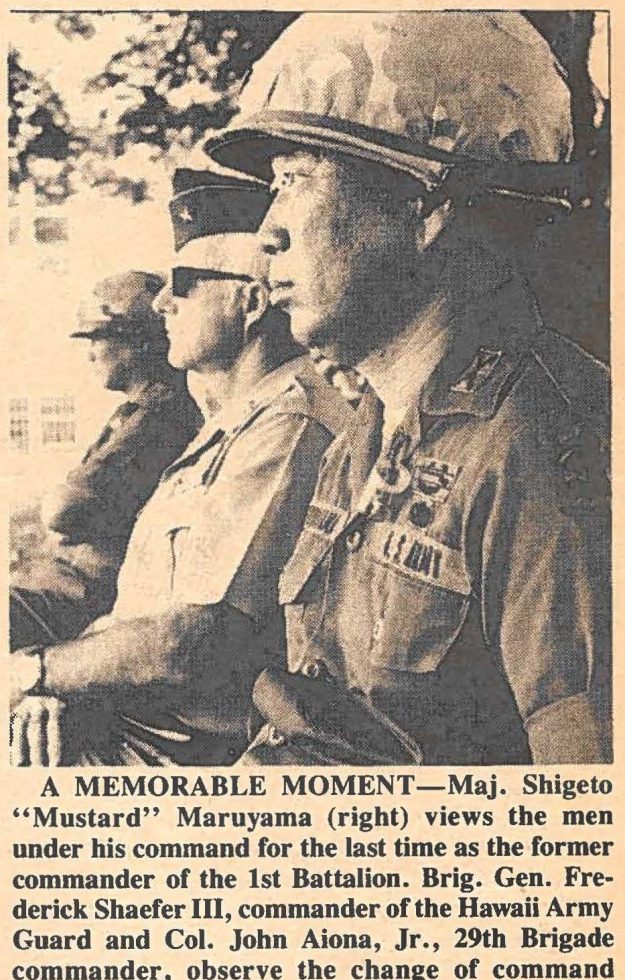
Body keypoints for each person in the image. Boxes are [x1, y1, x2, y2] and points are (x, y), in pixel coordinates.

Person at [206, 11, 611, 765]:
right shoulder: (369, 424)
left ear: (423, 207)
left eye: (296, 181)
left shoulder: (547, 438)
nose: (267, 232)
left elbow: (585, 814)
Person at [9, 168, 352, 767]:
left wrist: (37, 673)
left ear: (251, 300)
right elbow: (137, 618)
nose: (164, 302)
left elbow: (192, 645)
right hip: (124, 719)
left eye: (185, 283)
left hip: (179, 757)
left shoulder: (289, 424)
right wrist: (52, 686)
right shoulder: (229, 426)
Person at [10, 270, 201, 649]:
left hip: (83, 597)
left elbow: (65, 510)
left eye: (100, 338)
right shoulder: (139, 412)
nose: (91, 353)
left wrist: (59, 497)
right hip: (67, 584)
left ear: (142, 344)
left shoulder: (159, 417)